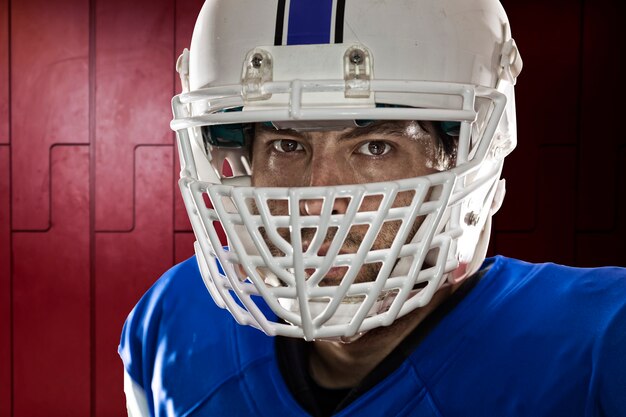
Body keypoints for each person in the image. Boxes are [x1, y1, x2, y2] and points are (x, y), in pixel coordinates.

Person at [119, 0, 626, 416]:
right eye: (287, 146)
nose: (321, 197)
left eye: (375, 147)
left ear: (468, 155)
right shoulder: (170, 328)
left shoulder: (601, 343)